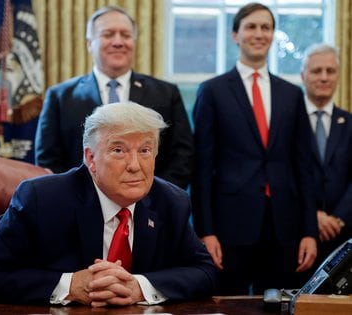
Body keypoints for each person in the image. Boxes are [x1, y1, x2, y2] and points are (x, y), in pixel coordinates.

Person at [0, 102, 216, 306]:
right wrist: (70, 285)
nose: (135, 166)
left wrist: (140, 287)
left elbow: (206, 272)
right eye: (119, 150)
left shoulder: (171, 201)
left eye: (145, 151)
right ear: (90, 158)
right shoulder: (41, 199)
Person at [191, 2, 318, 295]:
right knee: (226, 306)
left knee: (281, 307)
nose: (259, 34)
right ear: (236, 35)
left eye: (266, 27)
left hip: (285, 229)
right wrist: (205, 231)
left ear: (273, 35)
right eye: (251, 27)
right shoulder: (212, 91)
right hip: (229, 229)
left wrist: (309, 231)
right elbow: (202, 168)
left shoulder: (292, 94)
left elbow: (304, 168)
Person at [35, 5, 193, 190]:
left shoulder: (166, 93)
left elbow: (183, 156)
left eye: (125, 35)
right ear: (89, 43)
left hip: (150, 207)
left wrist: (150, 195)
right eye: (108, 34)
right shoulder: (60, 97)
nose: (118, 42)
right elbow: (48, 160)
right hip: (79, 208)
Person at [300, 43, 352, 269]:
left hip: (344, 238)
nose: (324, 77)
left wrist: (338, 218)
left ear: (338, 76)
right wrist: (311, 216)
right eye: (316, 71)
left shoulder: (350, 123)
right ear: (303, 76)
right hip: (299, 237)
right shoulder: (288, 121)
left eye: (330, 71)